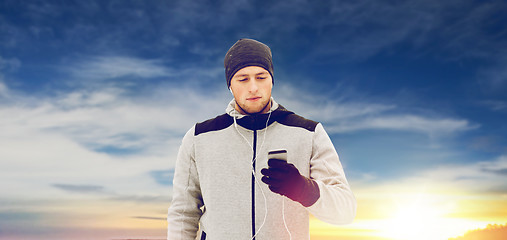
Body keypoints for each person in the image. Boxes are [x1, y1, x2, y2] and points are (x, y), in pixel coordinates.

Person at [167, 38, 356, 240]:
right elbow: (183, 213)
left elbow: (345, 211)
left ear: (272, 80)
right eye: (243, 79)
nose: (254, 87)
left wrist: (303, 188)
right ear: (229, 84)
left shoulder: (308, 133)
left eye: (261, 77)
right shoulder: (199, 137)